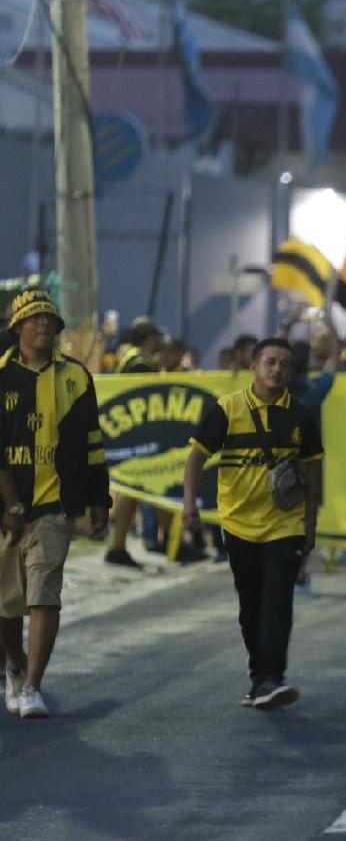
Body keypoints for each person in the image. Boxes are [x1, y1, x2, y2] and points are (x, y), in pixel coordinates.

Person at [182, 338, 323, 710]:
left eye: (284, 365)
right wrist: (188, 505)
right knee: (250, 606)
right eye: (270, 362)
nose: (277, 370)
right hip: (239, 523)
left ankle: (272, 678)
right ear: (254, 367)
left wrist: (310, 524)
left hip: (285, 525)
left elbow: (312, 469)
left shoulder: (301, 414)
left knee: (278, 599)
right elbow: (196, 457)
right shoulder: (227, 410)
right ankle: (259, 676)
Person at [0, 289, 111, 718]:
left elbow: (92, 443)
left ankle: (31, 687)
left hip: (54, 506)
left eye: (50, 318)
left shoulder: (76, 377)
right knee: (6, 608)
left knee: (44, 596)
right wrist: (9, 504)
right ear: (17, 328)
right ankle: (13, 663)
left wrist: (99, 499)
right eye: (35, 319)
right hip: (6, 510)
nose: (44, 324)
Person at [106, 319, 164, 569]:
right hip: (138, 435)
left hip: (130, 433)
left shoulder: (130, 358)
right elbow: (144, 398)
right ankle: (118, 547)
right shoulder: (140, 362)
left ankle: (120, 546)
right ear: (151, 337)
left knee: (131, 490)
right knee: (132, 489)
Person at [287, 333, 340, 592]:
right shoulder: (315, 390)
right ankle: (300, 572)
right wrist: (331, 333)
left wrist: (286, 327)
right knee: (307, 519)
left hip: (275, 463)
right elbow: (333, 363)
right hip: (309, 465)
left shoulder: (269, 389)